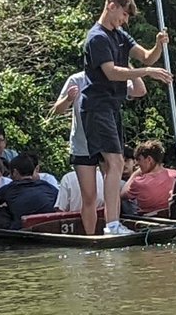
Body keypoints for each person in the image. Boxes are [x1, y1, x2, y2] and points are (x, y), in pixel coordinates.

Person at [79, 0, 173, 236]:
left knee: (113, 164)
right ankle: (111, 224)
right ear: (111, 6)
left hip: (112, 106)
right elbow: (111, 72)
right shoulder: (97, 37)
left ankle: (112, 222)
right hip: (97, 105)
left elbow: (147, 57)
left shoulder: (120, 35)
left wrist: (158, 44)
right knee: (116, 162)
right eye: (123, 14)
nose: (125, 20)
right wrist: (145, 73)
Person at [51, 70, 146, 216]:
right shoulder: (76, 79)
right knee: (89, 197)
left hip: (107, 142)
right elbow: (57, 109)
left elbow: (140, 90)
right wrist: (68, 99)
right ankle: (91, 235)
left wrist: (128, 67)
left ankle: (113, 228)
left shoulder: (116, 76)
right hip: (83, 144)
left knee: (112, 194)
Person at [0, 153, 59, 230]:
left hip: (21, 227)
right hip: (48, 225)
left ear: (15, 172)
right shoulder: (49, 186)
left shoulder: (8, 189)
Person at [122, 140, 176, 214]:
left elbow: (122, 194)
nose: (137, 164)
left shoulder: (140, 182)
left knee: (121, 184)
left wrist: (136, 173)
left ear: (149, 159)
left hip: (146, 218)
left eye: (139, 160)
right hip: (171, 215)